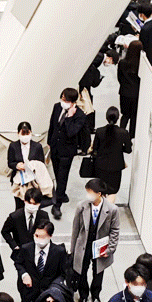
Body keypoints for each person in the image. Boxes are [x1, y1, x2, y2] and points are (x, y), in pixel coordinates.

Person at [71, 179, 120, 302]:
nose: (87, 195)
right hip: (84, 245)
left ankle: (96, 295)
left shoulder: (112, 209)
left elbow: (115, 230)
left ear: (99, 194)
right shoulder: (82, 206)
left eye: (90, 192)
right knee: (81, 271)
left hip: (101, 247)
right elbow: (75, 229)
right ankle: (83, 295)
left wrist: (110, 249)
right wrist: (73, 250)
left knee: (98, 273)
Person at [47, 87, 87, 219]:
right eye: (62, 97)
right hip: (55, 147)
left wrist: (69, 117)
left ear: (72, 101)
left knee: (63, 176)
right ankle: (62, 194)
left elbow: (71, 132)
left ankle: (57, 205)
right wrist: (49, 141)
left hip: (67, 151)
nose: (62, 100)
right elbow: (52, 125)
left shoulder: (79, 115)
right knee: (57, 173)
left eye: (65, 98)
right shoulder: (57, 107)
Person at [91, 107, 133, 195]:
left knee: (100, 190)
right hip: (116, 166)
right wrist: (119, 149)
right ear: (118, 118)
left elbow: (95, 148)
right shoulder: (123, 132)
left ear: (106, 117)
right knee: (113, 191)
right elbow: (129, 150)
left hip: (101, 165)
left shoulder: (99, 131)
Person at [3, 186, 49, 256]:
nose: (31, 206)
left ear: (39, 204)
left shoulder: (43, 216)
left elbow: (47, 232)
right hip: (20, 253)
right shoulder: (15, 216)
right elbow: (5, 231)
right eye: (29, 203)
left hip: (37, 253)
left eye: (35, 204)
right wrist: (14, 246)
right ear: (24, 201)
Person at [116, 39, 142, 136]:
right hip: (136, 94)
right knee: (134, 117)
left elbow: (119, 78)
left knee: (125, 115)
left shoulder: (122, 63)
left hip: (124, 92)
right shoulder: (140, 65)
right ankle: (131, 137)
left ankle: (120, 134)